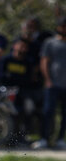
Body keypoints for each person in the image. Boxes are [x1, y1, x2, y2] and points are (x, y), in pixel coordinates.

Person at [32, 17, 66, 150]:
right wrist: (47, 80)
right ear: (58, 27)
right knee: (48, 112)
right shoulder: (50, 43)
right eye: (62, 26)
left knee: (64, 114)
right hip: (53, 84)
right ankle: (44, 138)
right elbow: (44, 61)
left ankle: (60, 139)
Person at [1, 39, 33, 145]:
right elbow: (0, 76)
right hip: (6, 92)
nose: (22, 48)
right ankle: (6, 137)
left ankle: (21, 137)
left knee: (27, 109)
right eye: (20, 45)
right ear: (14, 46)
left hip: (22, 93)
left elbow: (29, 79)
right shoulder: (6, 59)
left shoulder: (27, 62)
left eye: (25, 46)